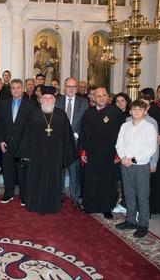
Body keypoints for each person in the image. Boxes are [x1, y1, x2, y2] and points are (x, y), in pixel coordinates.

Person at [17, 86, 76, 214]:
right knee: (36, 179)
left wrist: (66, 155)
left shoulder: (61, 115)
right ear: (40, 100)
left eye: (50, 98)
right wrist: (26, 153)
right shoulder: (33, 115)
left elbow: (68, 136)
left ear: (54, 100)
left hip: (55, 155)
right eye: (45, 98)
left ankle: (53, 205)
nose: (48, 101)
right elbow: (26, 135)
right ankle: (34, 204)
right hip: (36, 155)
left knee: (54, 181)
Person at [79, 87, 124, 219]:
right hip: (92, 154)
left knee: (107, 182)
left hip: (109, 154)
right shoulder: (88, 113)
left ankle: (106, 208)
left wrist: (118, 154)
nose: (102, 98)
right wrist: (82, 151)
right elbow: (83, 133)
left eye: (104, 95)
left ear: (108, 96)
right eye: (98, 96)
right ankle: (90, 206)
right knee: (91, 181)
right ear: (93, 97)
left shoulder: (115, 112)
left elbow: (122, 135)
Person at [115, 99, 157, 238]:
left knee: (142, 196)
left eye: (140, 109)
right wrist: (123, 157)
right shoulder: (125, 126)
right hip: (126, 164)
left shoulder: (149, 127)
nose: (137, 111)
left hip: (140, 166)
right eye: (134, 109)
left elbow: (150, 148)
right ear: (130, 111)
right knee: (129, 194)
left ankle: (143, 224)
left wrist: (133, 159)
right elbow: (119, 144)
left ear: (145, 112)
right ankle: (131, 220)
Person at [0, 79, 38, 205]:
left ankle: (24, 195)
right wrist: (1, 141)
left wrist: (29, 145)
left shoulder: (31, 105)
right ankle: (8, 193)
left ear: (23, 88)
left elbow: (32, 127)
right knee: (8, 169)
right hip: (7, 143)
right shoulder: (3, 104)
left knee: (22, 171)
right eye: (13, 88)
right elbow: (0, 124)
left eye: (18, 87)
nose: (15, 90)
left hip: (23, 143)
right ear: (10, 90)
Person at [55, 78, 89, 208]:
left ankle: (75, 197)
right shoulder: (57, 101)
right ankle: (59, 195)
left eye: (73, 86)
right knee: (60, 170)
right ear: (64, 87)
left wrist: (75, 134)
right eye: (68, 86)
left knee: (75, 171)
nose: (71, 89)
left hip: (76, 141)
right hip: (60, 142)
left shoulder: (84, 102)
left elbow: (85, 123)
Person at [148, 83, 160, 215]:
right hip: (156, 151)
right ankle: (154, 207)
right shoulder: (151, 110)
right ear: (157, 94)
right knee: (156, 180)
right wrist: (156, 138)